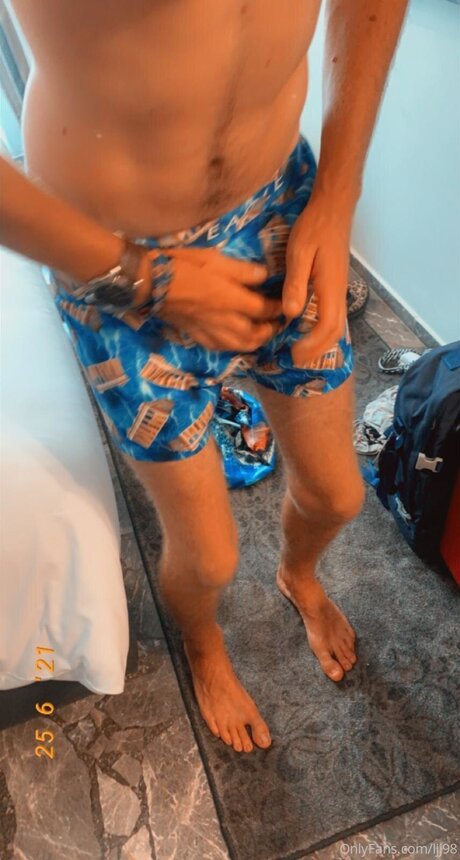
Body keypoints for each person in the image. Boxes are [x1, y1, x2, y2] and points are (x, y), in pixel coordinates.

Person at [1, 0, 409, 754]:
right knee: (209, 555)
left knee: (337, 495)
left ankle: (298, 576)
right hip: (117, 265)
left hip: (281, 208)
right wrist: (144, 279)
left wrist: (338, 192)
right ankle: (203, 644)